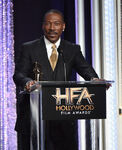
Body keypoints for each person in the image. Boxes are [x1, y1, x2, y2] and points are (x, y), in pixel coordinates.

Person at [13, 9, 99, 150]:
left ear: (63, 26)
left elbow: (86, 70)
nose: (52, 28)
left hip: (62, 120)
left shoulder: (72, 49)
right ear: (43, 26)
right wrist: (28, 82)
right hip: (33, 118)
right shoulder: (29, 48)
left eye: (56, 24)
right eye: (48, 24)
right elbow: (19, 75)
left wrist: (95, 80)